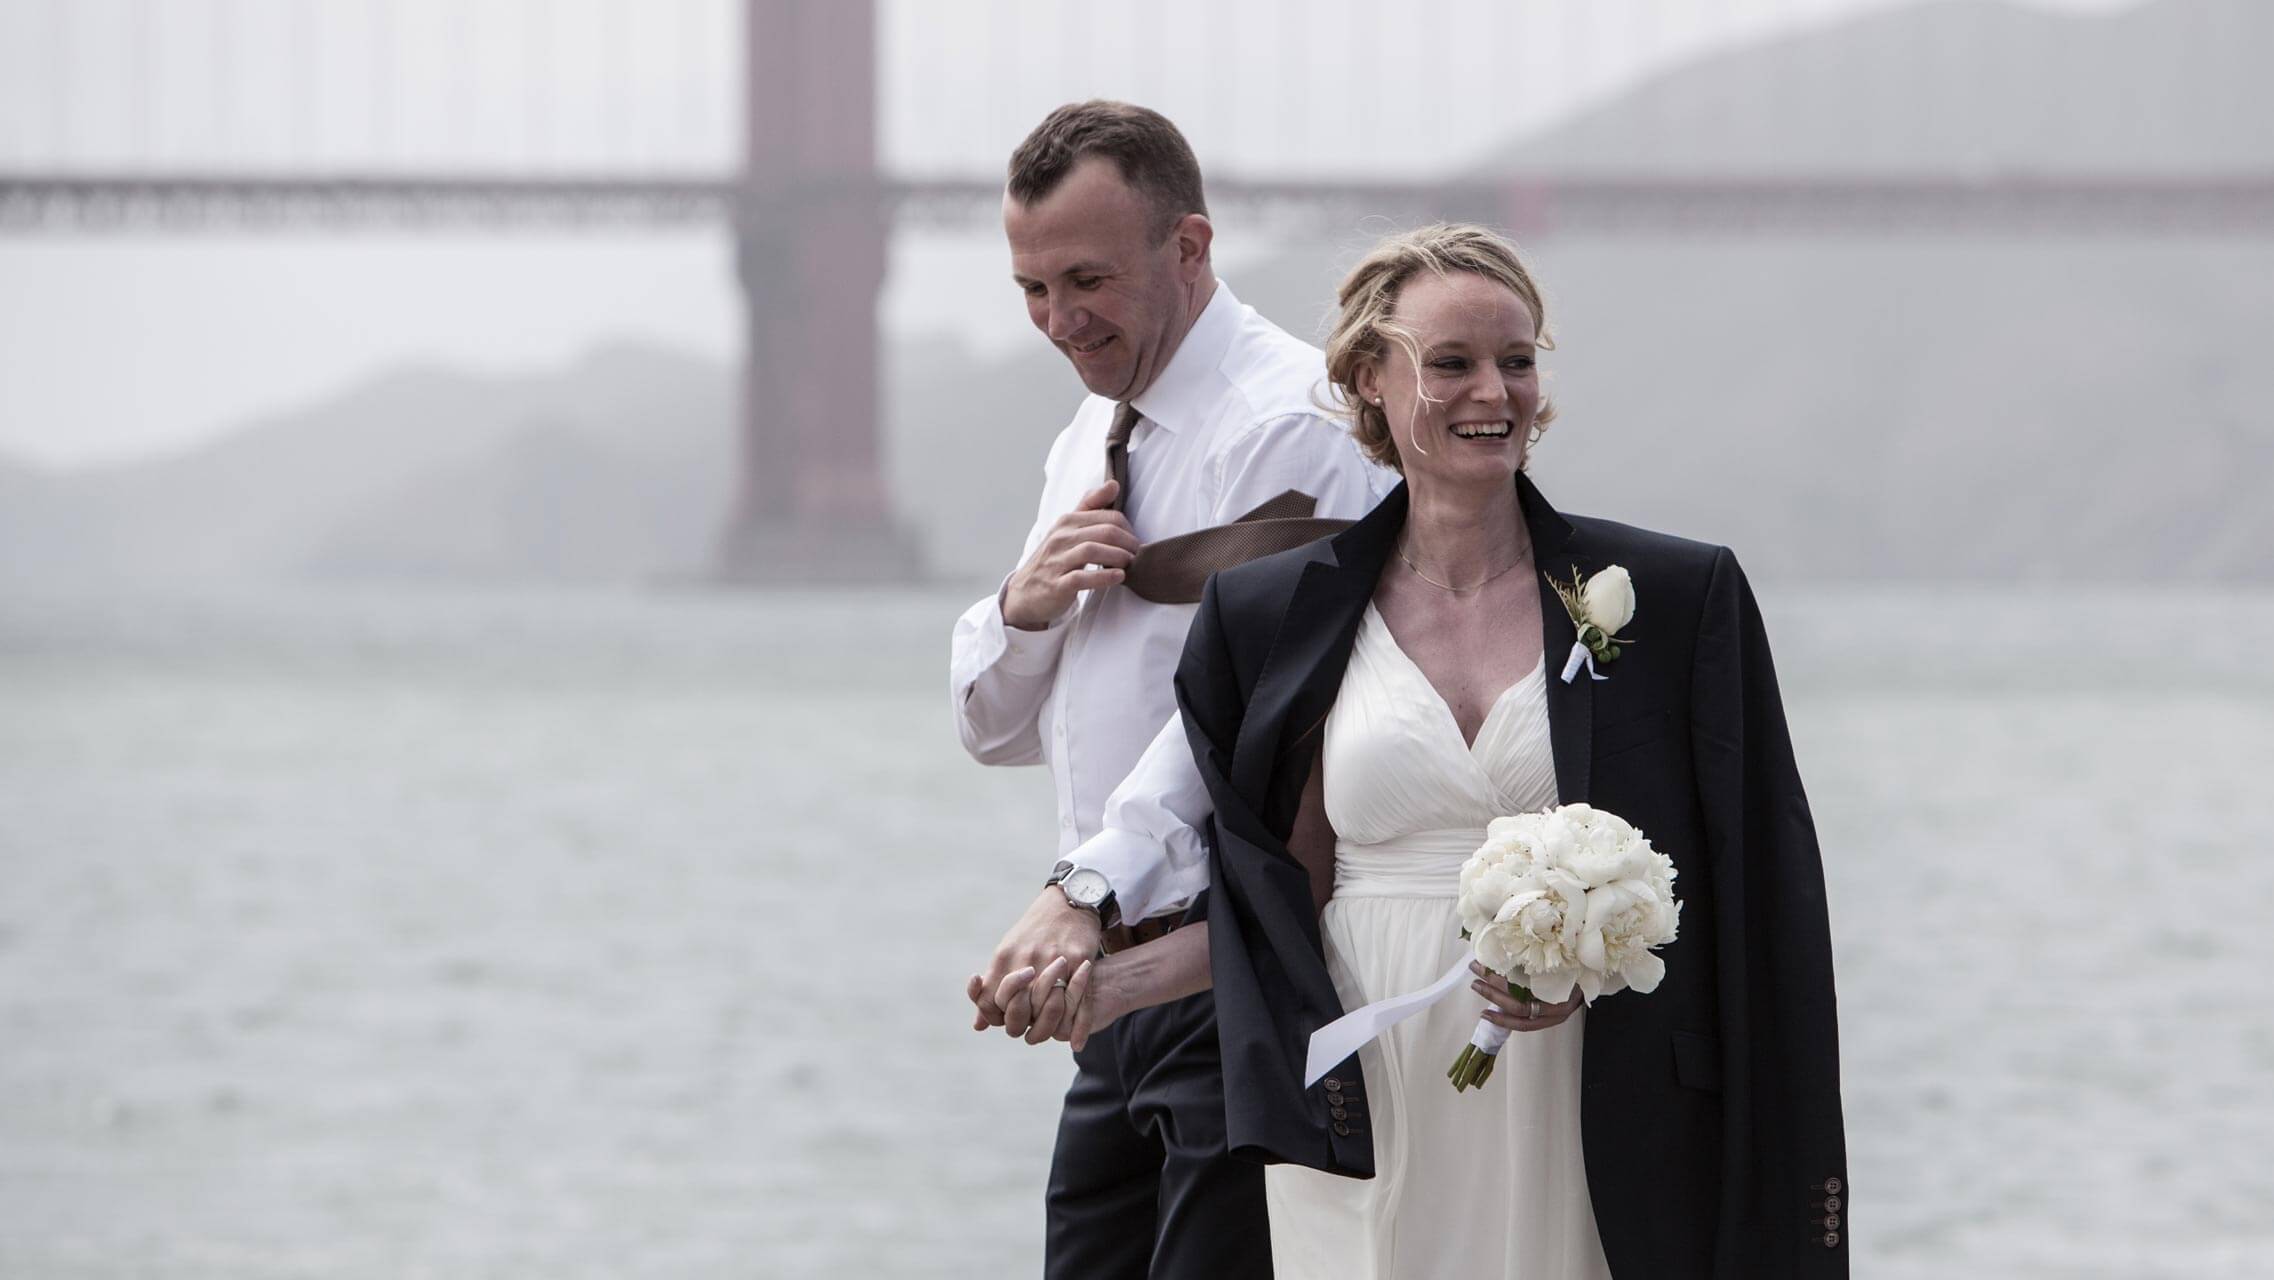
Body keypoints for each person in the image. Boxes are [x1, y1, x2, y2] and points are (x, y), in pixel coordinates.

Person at [1000, 223, 1849, 1277]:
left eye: (1518, 359)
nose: (1493, 390)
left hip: (1586, 1090)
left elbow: (1757, 893)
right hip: (1367, 1088)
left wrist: (1605, 970)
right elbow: (1279, 902)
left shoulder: (1672, 598)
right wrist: (1105, 973)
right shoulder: (1269, 615)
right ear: (1370, 379)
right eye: (1451, 362)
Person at [949, 100, 1387, 1278]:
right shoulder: (1084, 437)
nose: (1058, 319)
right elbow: (993, 731)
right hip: (1109, 986)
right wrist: (1019, 610)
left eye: (1085, 278)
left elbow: (1247, 715)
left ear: (1189, 248)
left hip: (1235, 966)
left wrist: (1084, 888)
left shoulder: (1296, 426)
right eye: (1031, 288)